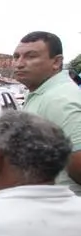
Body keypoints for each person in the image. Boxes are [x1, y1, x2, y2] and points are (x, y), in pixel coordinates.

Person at [9, 31, 81, 196]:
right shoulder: (43, 93)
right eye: (16, 57)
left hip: (61, 210)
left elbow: (78, 165)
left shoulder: (60, 100)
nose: (19, 64)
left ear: (56, 62)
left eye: (30, 56)